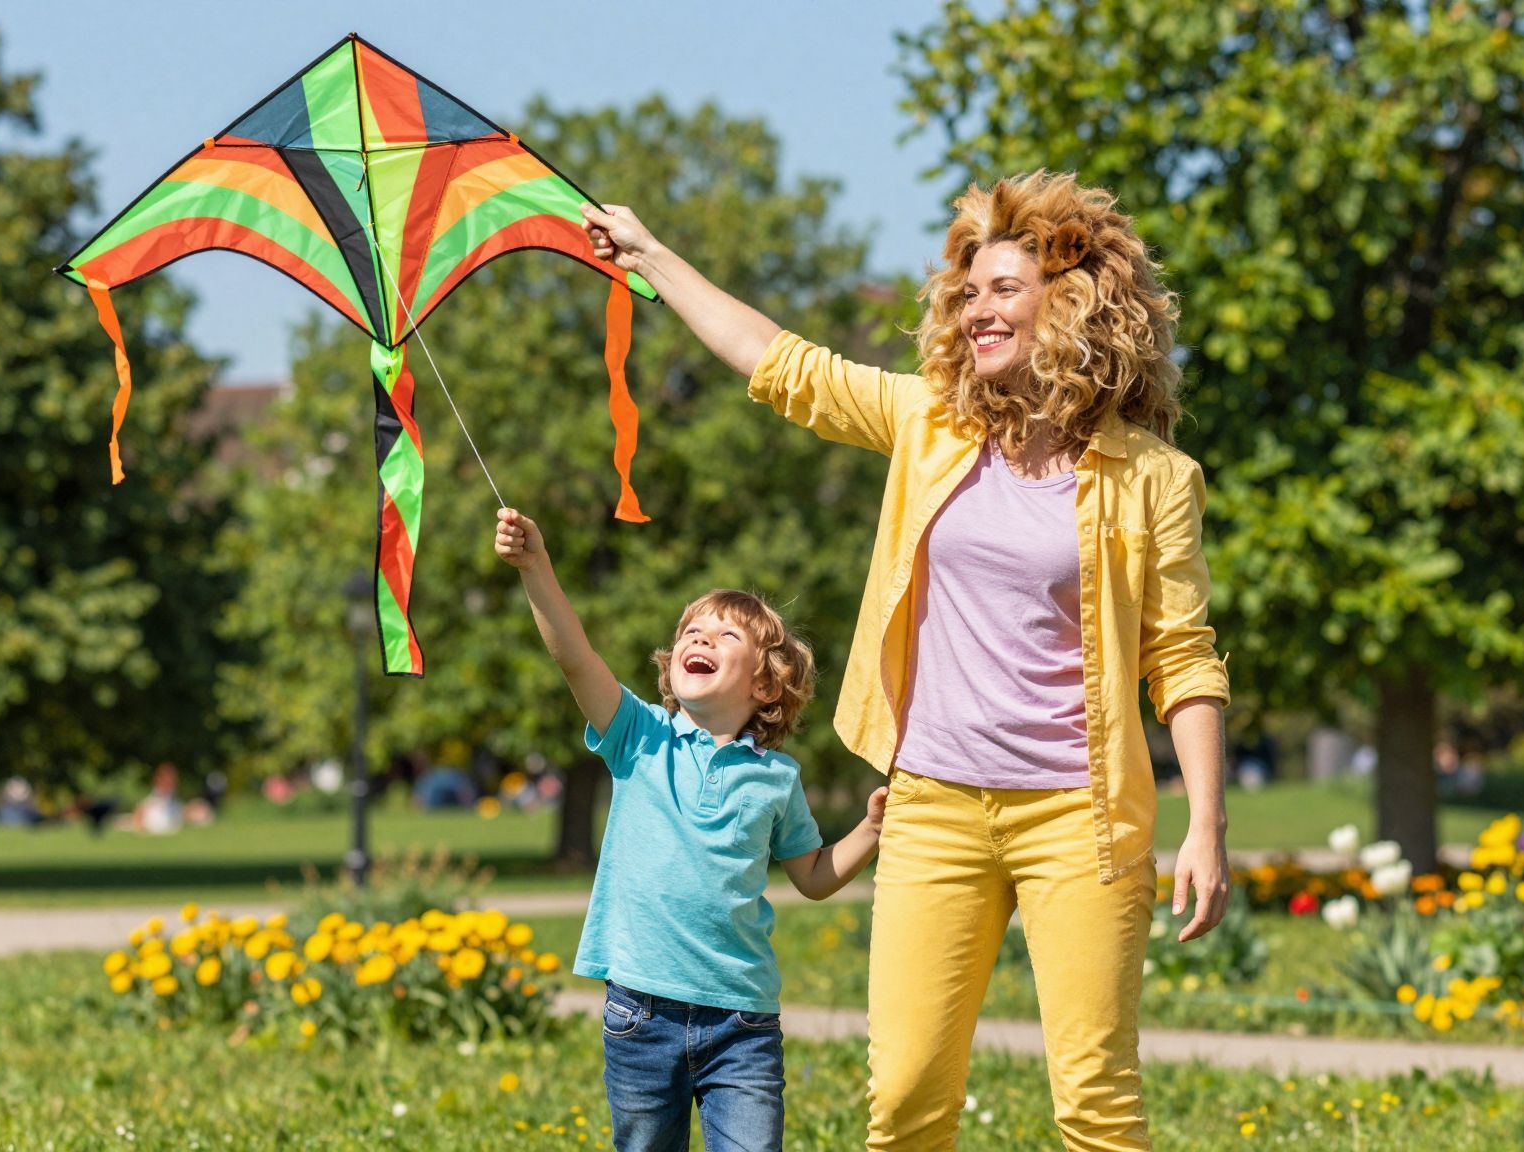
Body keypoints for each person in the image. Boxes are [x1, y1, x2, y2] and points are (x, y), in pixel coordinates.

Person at [583, 169, 1231, 1151]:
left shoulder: (1152, 477)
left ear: (1072, 305)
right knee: (905, 1100)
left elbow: (1180, 658)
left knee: (1095, 1103)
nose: (976, 308)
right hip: (931, 805)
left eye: (1002, 288)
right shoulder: (929, 426)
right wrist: (652, 254)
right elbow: (780, 364)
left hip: (1080, 818)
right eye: (965, 293)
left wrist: (1206, 826)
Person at [494, 505, 886, 1152]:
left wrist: (869, 831)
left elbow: (813, 876)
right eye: (691, 632)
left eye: (725, 638)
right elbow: (575, 658)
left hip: (743, 1022)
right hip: (640, 1013)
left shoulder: (776, 779)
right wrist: (535, 567)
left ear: (766, 686)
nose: (700, 641)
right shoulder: (638, 736)